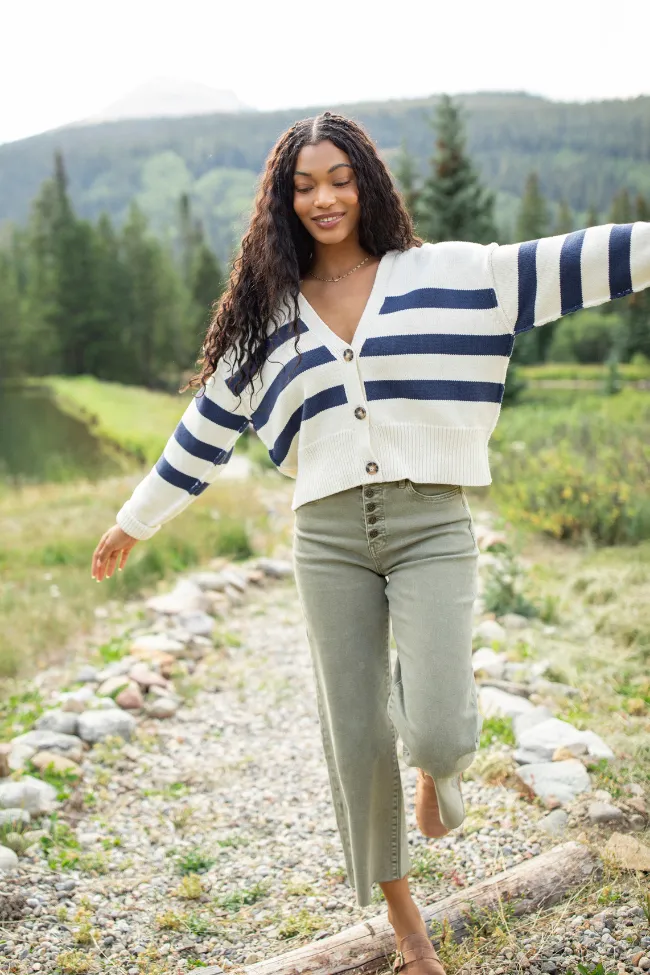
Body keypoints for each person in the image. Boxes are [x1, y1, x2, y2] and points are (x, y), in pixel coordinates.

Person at [91, 111, 650, 975]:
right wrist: (136, 518)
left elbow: (579, 259)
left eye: (339, 178)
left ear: (368, 184)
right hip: (328, 536)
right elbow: (203, 430)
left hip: (432, 520)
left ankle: (438, 763)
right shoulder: (264, 320)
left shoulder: (451, 274)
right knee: (354, 735)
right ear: (283, 200)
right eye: (304, 184)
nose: (323, 197)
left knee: (434, 728)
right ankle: (408, 932)